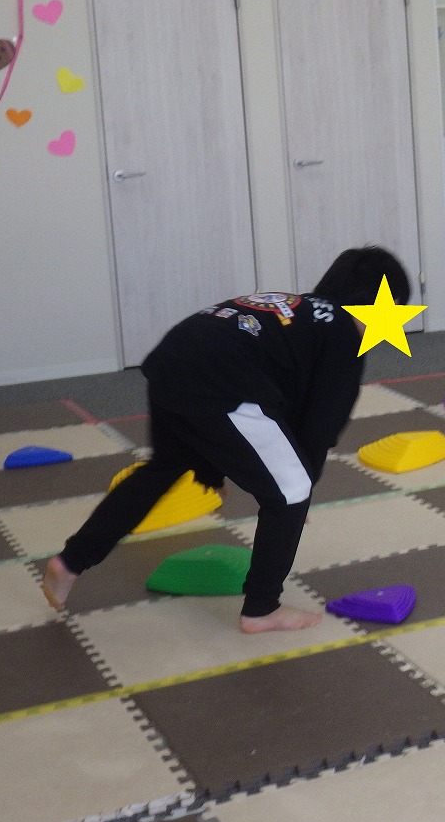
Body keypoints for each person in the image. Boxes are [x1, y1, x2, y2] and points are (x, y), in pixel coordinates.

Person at [41, 246, 412, 632]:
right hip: (223, 380)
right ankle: (261, 608)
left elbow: (277, 408)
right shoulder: (342, 334)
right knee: (292, 489)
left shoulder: (296, 309)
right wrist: (299, 492)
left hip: (175, 357)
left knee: (162, 469)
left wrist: (214, 470)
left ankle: (70, 562)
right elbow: (322, 423)